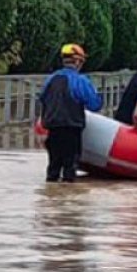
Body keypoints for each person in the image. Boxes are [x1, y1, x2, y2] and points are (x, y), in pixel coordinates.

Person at [38, 43, 103, 182]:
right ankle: (68, 198)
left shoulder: (50, 79)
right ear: (78, 61)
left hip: (52, 129)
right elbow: (94, 105)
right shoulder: (80, 81)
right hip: (72, 129)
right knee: (70, 167)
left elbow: (42, 98)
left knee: (53, 167)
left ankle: (51, 198)